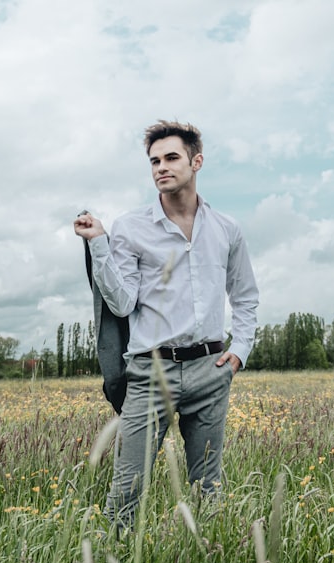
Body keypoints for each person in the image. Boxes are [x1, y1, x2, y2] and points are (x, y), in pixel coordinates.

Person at [73, 120, 259, 527]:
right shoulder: (130, 227)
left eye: (171, 157)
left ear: (196, 161)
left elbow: (245, 296)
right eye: (154, 161)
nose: (161, 167)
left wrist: (240, 352)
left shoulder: (227, 229)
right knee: (127, 486)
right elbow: (121, 303)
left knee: (206, 487)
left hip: (209, 370)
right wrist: (99, 243)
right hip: (150, 370)